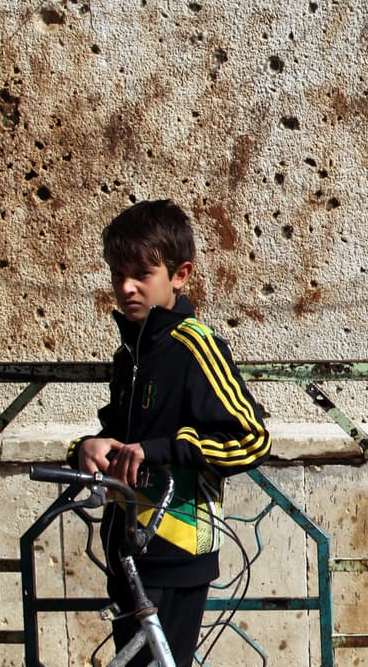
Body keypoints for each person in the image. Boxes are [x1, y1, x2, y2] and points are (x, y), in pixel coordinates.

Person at [67, 199, 271, 666]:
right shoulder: (129, 354)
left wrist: (159, 450)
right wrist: (86, 447)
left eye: (142, 274)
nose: (126, 287)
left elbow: (252, 440)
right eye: (117, 274)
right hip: (127, 551)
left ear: (180, 275)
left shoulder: (196, 346)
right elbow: (119, 434)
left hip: (177, 552)